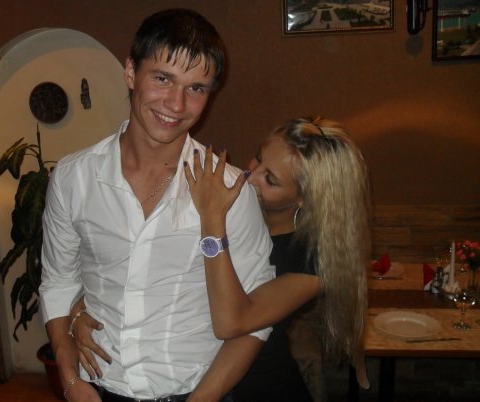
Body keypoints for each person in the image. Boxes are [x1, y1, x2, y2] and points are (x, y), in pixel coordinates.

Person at [39, 8, 274, 402]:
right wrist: (68, 375)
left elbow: (256, 314)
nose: (176, 104)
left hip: (195, 391)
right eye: (163, 79)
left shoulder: (230, 190)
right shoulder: (73, 177)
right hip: (99, 388)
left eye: (196, 88)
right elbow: (59, 282)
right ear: (131, 72)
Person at [184, 116, 371, 401]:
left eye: (270, 179)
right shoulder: (241, 214)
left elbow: (230, 322)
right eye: (258, 159)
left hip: (260, 388)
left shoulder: (311, 260)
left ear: (304, 198)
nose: (251, 176)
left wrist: (212, 220)